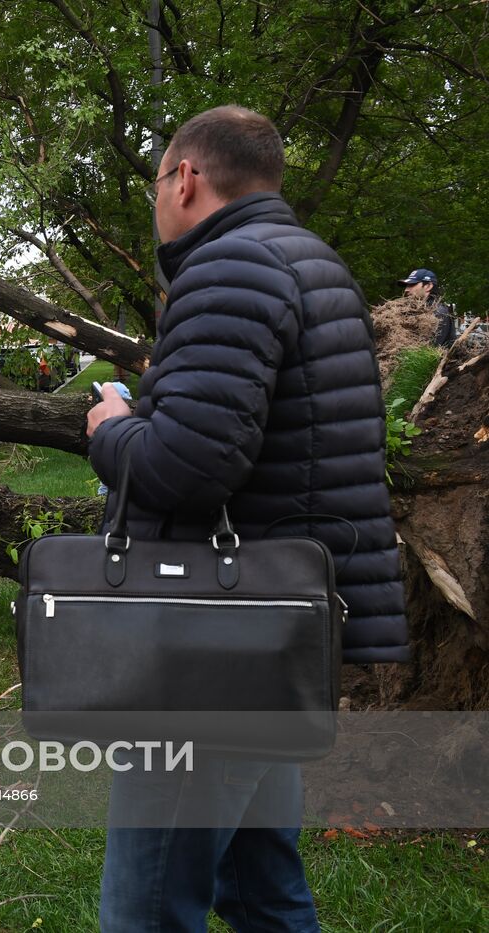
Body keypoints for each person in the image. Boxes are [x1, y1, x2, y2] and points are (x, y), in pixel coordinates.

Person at [85, 105, 407, 932]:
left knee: (145, 908)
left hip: (209, 658)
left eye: (158, 181)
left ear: (186, 178)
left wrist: (112, 426)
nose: (157, 201)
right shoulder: (313, 263)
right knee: (263, 892)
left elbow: (187, 467)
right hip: (274, 640)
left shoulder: (229, 268)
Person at [397, 268, 455, 348]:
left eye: (412, 284)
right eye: (407, 285)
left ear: (428, 286)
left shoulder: (438, 313)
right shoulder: (415, 311)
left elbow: (430, 352)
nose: (406, 289)